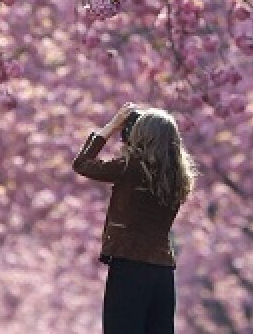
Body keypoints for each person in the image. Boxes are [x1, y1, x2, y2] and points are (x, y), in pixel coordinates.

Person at [73, 102, 197, 334]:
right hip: (162, 273)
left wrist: (111, 126)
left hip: (130, 269)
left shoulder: (131, 168)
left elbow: (82, 164)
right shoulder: (179, 177)